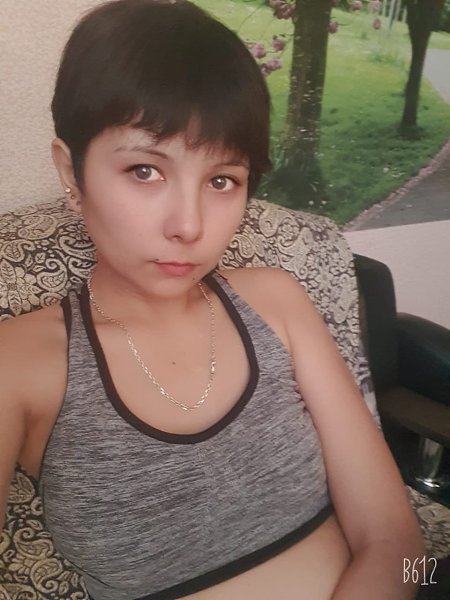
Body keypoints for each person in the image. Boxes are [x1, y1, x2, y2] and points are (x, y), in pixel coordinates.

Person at [0, 1, 425, 599]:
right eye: (145, 171)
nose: (189, 226)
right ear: (72, 172)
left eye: (222, 180)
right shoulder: (18, 363)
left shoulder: (276, 301)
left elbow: (401, 547)